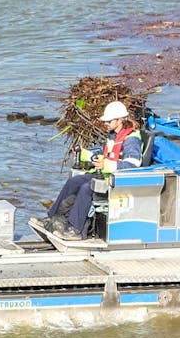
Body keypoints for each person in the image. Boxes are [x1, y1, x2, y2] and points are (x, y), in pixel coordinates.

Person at [42, 101, 144, 240]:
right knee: (74, 182)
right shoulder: (113, 135)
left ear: (120, 120)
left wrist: (107, 165)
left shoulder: (131, 139)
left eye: (108, 121)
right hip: (105, 176)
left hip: (117, 181)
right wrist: (86, 155)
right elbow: (105, 155)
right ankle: (55, 218)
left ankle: (75, 229)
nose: (105, 123)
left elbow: (134, 164)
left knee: (86, 188)